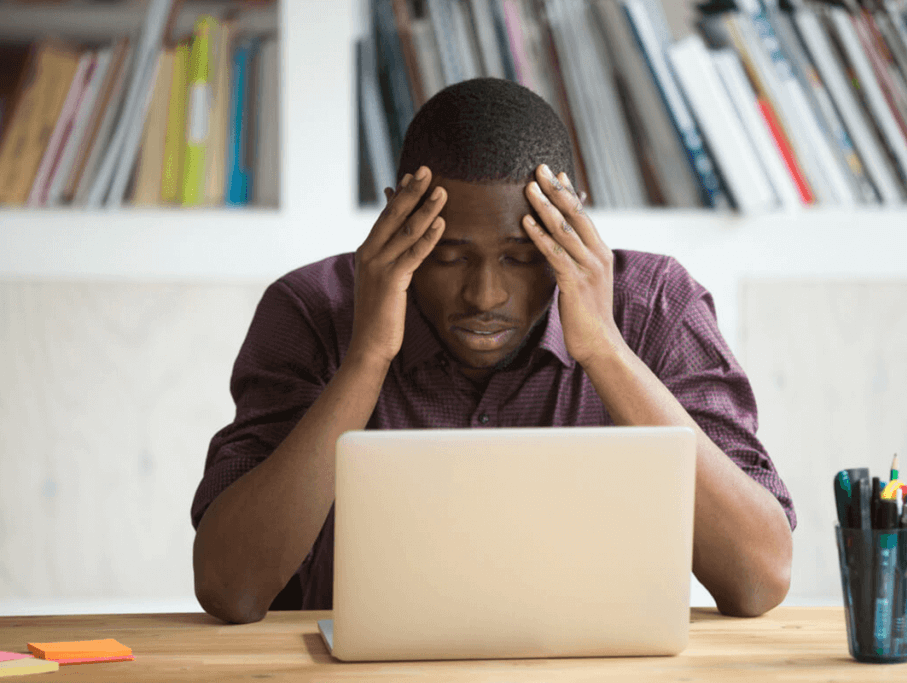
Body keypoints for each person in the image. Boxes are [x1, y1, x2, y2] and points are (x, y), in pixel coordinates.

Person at [191, 77, 795, 625]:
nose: (486, 295)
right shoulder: (312, 310)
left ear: (570, 218)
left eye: (524, 257)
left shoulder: (655, 307)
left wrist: (607, 351)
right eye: (449, 256)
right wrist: (368, 357)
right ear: (396, 215)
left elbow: (759, 579)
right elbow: (231, 588)